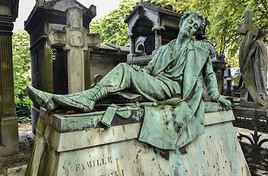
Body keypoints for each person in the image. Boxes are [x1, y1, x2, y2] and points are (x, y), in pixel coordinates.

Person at [27, 11, 232, 114]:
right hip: (157, 83)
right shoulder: (165, 49)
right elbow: (151, 69)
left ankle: (81, 100)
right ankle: (68, 101)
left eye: (196, 26)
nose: (192, 26)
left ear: (197, 32)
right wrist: (139, 70)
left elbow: (210, 75)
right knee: (126, 72)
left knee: (124, 69)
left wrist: (216, 96)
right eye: (190, 22)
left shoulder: (199, 50)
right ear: (182, 23)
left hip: (174, 89)